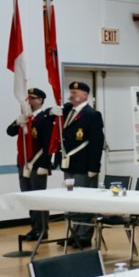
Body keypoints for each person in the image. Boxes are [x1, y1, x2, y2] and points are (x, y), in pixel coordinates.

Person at [58, 81, 105, 249]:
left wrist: (94, 167)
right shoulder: (67, 112)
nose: (72, 94)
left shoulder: (92, 114)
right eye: (71, 91)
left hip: (85, 164)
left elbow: (97, 142)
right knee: (72, 201)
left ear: (85, 95)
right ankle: (74, 233)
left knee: (84, 201)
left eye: (76, 92)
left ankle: (84, 235)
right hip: (70, 164)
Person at [6, 87, 54, 241]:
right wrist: (17, 122)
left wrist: (45, 165)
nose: (28, 100)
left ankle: (42, 229)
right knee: (28, 198)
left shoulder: (44, 120)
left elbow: (49, 145)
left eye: (32, 98)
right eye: (27, 98)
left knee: (38, 198)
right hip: (23, 163)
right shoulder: (25, 118)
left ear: (40, 100)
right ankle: (35, 227)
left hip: (37, 163)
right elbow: (9, 131)